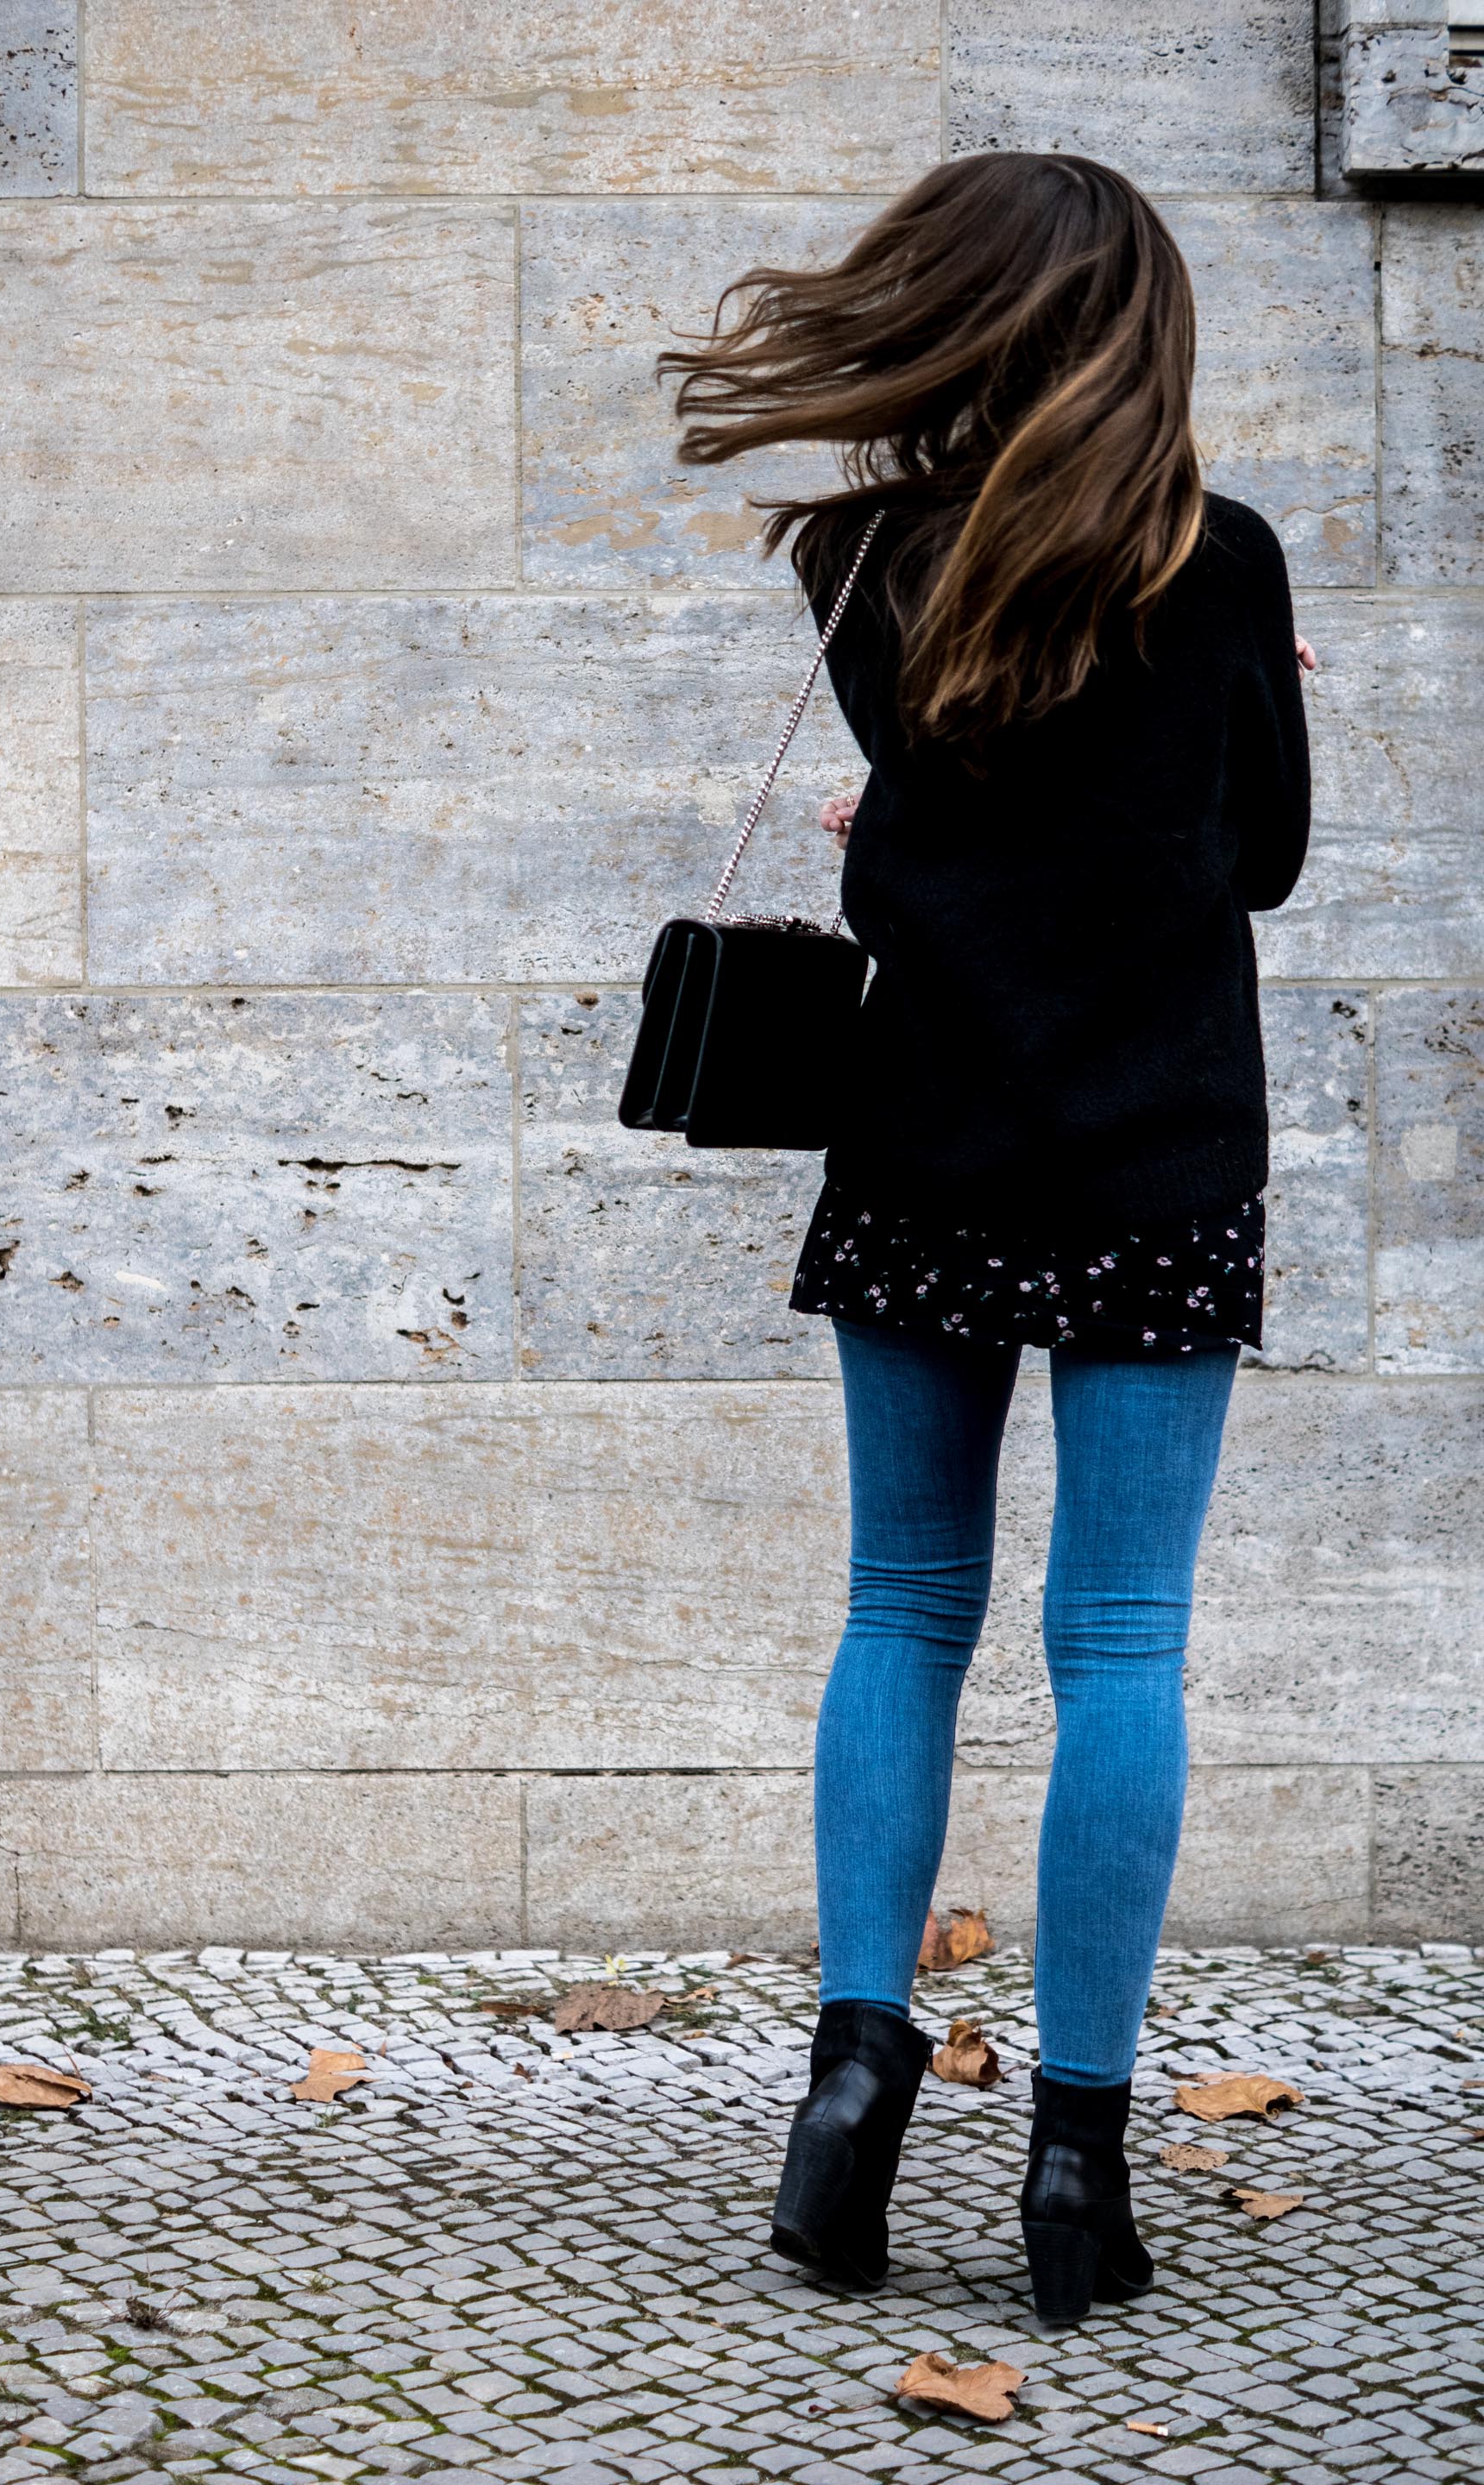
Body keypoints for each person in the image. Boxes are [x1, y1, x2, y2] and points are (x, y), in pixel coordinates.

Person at [658, 152, 1311, 2325]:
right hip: (1155, 1168)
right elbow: (1265, 857)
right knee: (1119, 1644)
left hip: (926, 1149)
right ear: (1138, 331)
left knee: (905, 1608)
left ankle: (849, 2103)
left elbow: (956, 792)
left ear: (953, 316)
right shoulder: (1219, 566)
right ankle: (1074, 2167)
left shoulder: (858, 557)